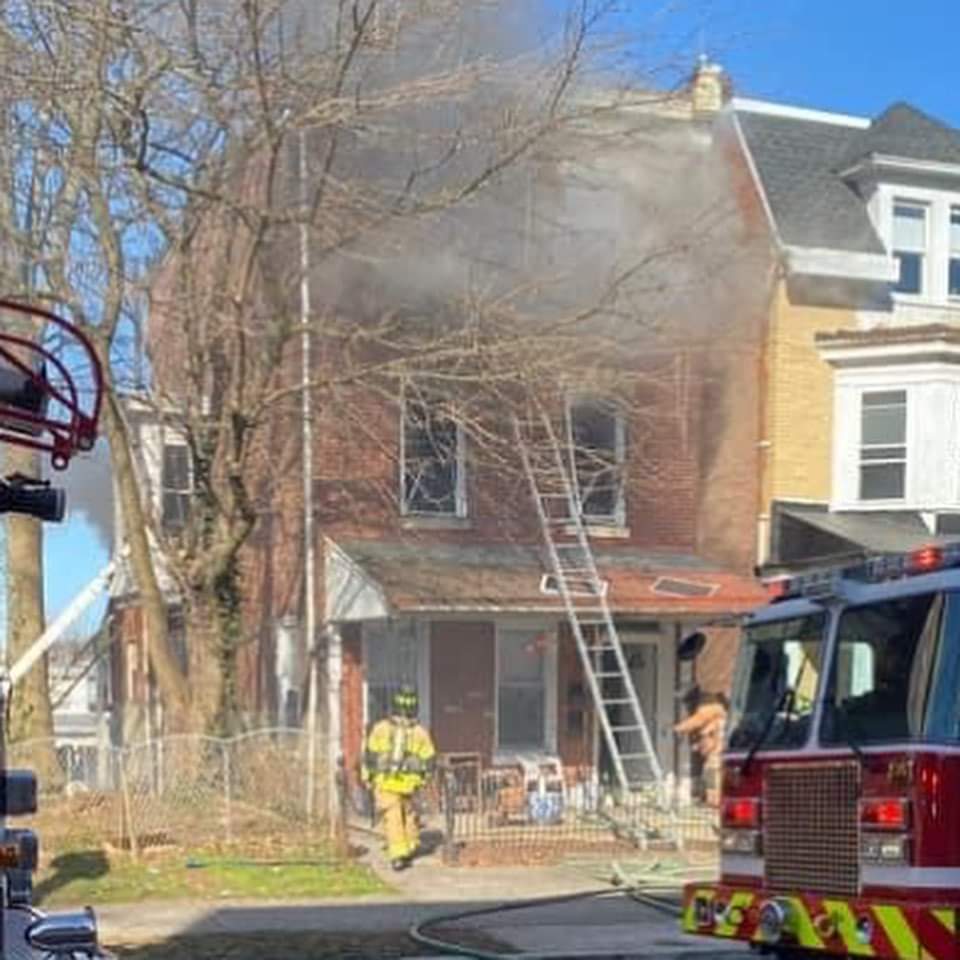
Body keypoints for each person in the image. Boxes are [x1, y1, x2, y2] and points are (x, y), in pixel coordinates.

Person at [361, 686, 436, 871]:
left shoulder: (380, 729)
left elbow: (370, 756)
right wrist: (424, 779)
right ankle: (410, 846)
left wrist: (367, 777)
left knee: (393, 817)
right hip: (410, 785)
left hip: (386, 782)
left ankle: (398, 855)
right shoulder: (420, 732)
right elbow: (429, 760)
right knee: (409, 815)